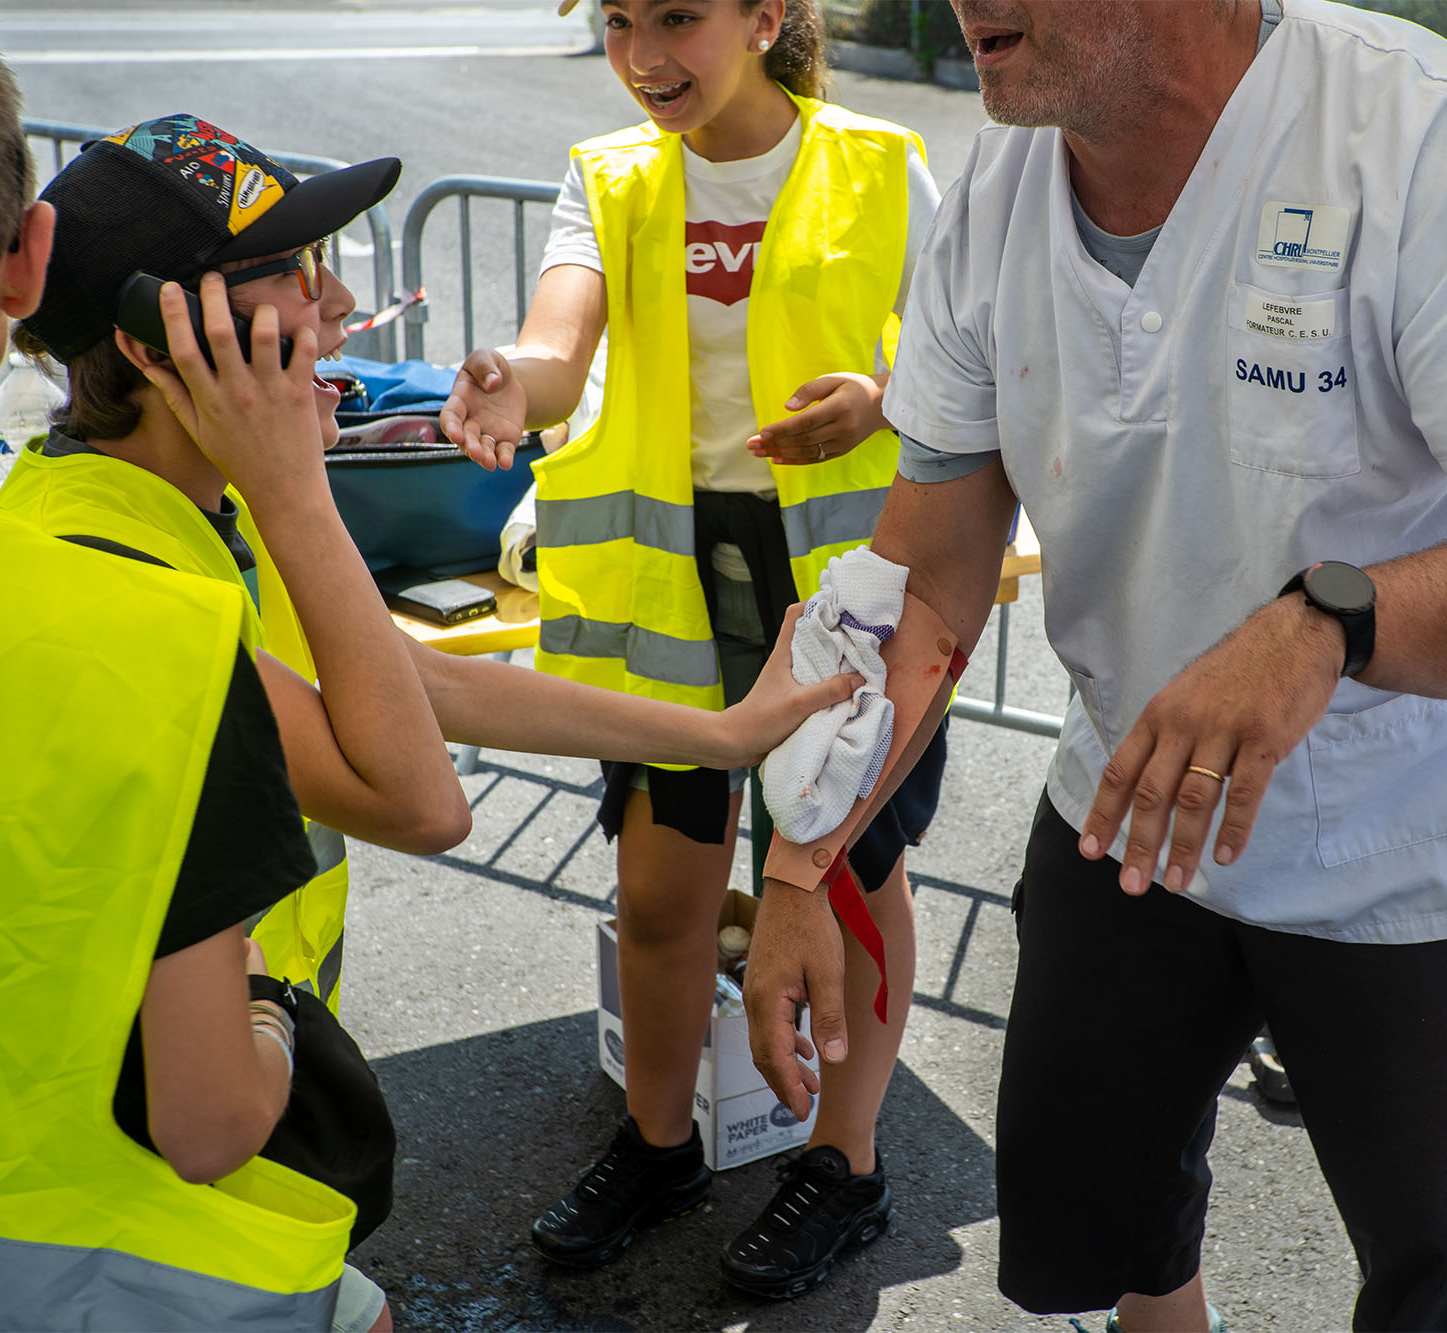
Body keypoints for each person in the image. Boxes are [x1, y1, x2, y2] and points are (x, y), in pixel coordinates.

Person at [744, 2, 1447, 1331]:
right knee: (1095, 1207)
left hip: (1434, 842)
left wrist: (1324, 622)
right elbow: (926, 586)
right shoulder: (998, 198)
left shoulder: (1411, 131)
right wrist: (801, 863)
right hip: (1138, 800)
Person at [0, 115, 861, 1026]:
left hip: (261, 1037)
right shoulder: (106, 564)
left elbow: (407, 680)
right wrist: (295, 494)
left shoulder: (196, 499)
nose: (339, 300)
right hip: (174, 1081)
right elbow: (421, 806)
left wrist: (726, 736)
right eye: (295, 272)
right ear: (155, 340)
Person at [440, 0, 948, 1296]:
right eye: (619, 20)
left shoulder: (882, 166)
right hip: (670, 581)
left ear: (765, 17)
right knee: (664, 889)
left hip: (838, 587)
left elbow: (975, 364)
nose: (644, 55)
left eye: (678, 16)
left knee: (847, 874)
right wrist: (510, 379)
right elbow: (559, 352)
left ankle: (845, 1162)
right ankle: (658, 1144)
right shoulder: (608, 177)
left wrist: (882, 400)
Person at [0, 5, 376, 1328]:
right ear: (24, 257)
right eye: (292, 269)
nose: (331, 300)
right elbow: (210, 1118)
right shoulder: (137, 634)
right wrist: (267, 1007)